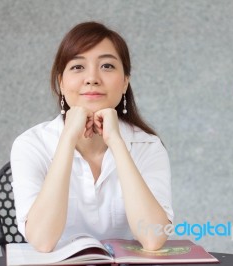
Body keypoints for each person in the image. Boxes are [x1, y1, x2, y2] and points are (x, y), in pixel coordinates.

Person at [10, 22, 173, 253]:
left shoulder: (147, 145)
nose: (92, 78)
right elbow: (43, 241)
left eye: (107, 66)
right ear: (61, 83)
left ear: (125, 81)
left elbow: (153, 239)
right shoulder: (30, 144)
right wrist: (67, 141)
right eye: (77, 67)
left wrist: (116, 142)